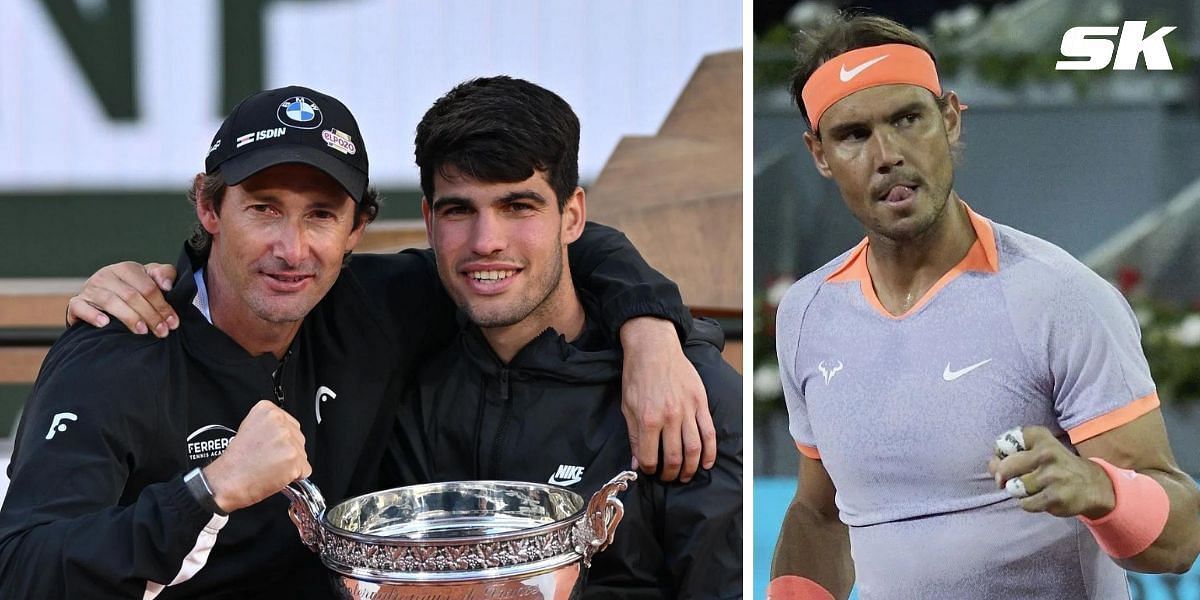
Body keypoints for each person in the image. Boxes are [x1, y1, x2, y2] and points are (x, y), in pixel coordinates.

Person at [1, 86, 704, 599]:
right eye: (263, 210)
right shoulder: (120, 347)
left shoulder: (373, 306)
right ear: (209, 207)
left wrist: (651, 332)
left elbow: (537, 255)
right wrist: (206, 493)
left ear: (356, 227)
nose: (291, 247)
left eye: (320, 215)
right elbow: (23, 569)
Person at [769, 13, 1200, 600]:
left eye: (907, 119)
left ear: (948, 118)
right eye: (854, 135)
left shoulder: (1059, 296)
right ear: (819, 153)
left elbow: (1179, 541)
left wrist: (1101, 488)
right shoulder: (807, 313)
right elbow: (819, 515)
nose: (888, 154)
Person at [383, 75, 742, 599]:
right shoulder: (398, 357)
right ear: (429, 221)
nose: (487, 242)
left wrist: (649, 335)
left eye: (518, 207)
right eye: (459, 210)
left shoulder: (687, 393)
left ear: (571, 215)